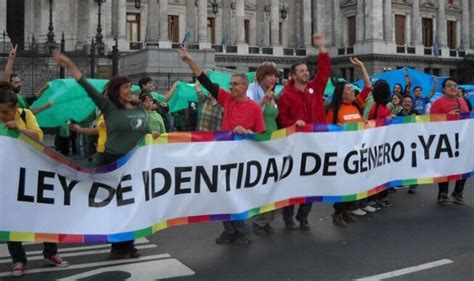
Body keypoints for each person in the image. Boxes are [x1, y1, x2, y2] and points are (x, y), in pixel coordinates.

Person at [52, 51, 158, 259]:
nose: (130, 90)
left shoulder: (138, 108)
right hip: (112, 161)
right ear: (117, 90)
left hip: (135, 163)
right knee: (115, 205)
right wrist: (71, 65)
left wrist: (151, 135)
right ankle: (119, 245)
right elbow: (88, 88)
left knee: (132, 205)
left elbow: (142, 131)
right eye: (126, 87)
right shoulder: (108, 107)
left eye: (131, 87)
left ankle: (129, 243)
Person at [178, 45, 265, 246]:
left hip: (242, 158)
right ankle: (229, 230)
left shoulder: (254, 109)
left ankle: (242, 231)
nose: (231, 87)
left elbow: (261, 137)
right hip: (222, 155)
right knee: (220, 194)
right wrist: (190, 61)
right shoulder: (226, 99)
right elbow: (205, 81)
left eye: (235, 84)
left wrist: (248, 132)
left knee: (236, 196)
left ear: (244, 86)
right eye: (231, 84)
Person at [0, 82, 69, 277]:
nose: (2, 116)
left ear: (15, 108)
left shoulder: (25, 115)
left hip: (32, 175)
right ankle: (18, 259)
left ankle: (50, 252)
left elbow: (38, 136)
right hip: (8, 179)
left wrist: (19, 129)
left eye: (5, 112)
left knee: (45, 214)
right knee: (11, 219)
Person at [277, 33, 331, 231]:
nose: (306, 73)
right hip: (295, 146)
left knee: (311, 182)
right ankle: (288, 217)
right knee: (292, 183)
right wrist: (294, 123)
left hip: (316, 144)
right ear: (293, 75)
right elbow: (282, 119)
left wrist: (322, 48)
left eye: (307, 70)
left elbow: (324, 72)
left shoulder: (315, 89)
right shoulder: (286, 95)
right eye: (302, 71)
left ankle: (304, 216)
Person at [326, 57, 374, 225]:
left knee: (355, 183)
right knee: (343, 184)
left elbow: (368, 87)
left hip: (358, 151)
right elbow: (327, 131)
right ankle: (338, 212)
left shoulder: (356, 105)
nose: (352, 91)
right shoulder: (334, 110)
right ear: (341, 93)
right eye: (348, 89)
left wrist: (361, 66)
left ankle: (347, 210)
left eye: (352, 88)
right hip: (342, 154)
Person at [246, 61, 279, 235]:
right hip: (258, 142)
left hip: (273, 141)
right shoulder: (252, 90)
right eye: (269, 75)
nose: (273, 78)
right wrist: (262, 101)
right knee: (262, 183)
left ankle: (267, 220)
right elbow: (249, 112)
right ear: (261, 76)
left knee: (273, 183)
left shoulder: (274, 94)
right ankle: (258, 220)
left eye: (274, 75)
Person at [430, 78, 469, 206]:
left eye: (455, 85)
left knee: (464, 166)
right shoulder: (438, 103)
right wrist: (448, 116)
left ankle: (458, 192)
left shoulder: (462, 101)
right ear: (443, 89)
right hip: (445, 141)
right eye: (449, 86)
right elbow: (431, 122)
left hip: (462, 140)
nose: (453, 88)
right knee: (444, 168)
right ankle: (443, 194)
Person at [396, 95, 418, 194]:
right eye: (405, 101)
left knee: (414, 165)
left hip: (414, 143)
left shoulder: (417, 114)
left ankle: (413, 185)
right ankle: (402, 181)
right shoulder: (398, 115)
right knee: (403, 163)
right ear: (402, 103)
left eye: (409, 101)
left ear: (411, 103)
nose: (407, 103)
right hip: (403, 143)